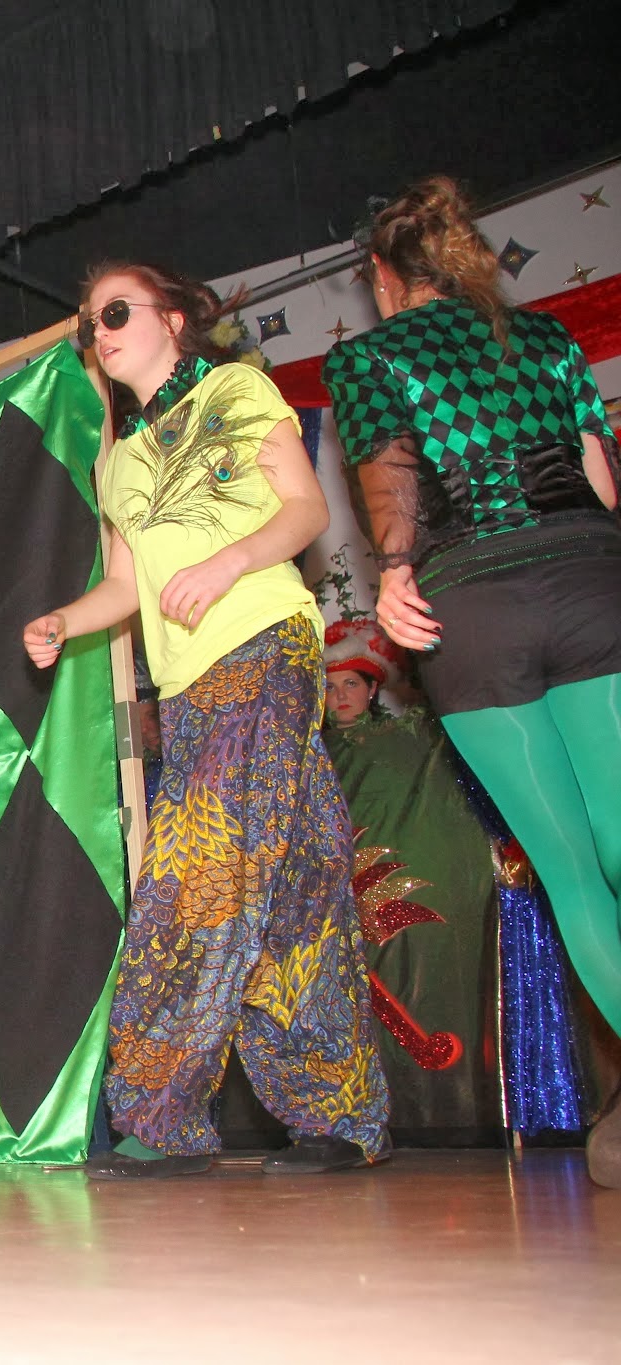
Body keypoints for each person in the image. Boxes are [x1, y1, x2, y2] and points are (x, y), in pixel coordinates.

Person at [20, 262, 390, 1179]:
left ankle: (163, 1113)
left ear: (174, 318)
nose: (100, 333)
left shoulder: (235, 390)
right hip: (187, 687)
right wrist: (64, 619)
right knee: (300, 880)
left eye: (115, 312)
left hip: (263, 641)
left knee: (197, 870)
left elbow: (305, 510)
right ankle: (339, 1113)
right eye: (89, 323)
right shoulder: (118, 462)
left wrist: (226, 565)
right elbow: (125, 584)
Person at [325, 176, 621, 1187]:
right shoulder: (542, 338)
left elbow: (390, 485)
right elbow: (599, 479)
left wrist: (393, 575)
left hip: (475, 612)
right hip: (588, 583)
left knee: (571, 871)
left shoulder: (370, 357)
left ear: (382, 277)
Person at [322, 619, 496, 1140]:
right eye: (329, 687)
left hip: (397, 908)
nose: (340, 696)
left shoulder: (407, 739)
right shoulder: (311, 758)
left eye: (351, 684)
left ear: (373, 688)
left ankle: (432, 1117)